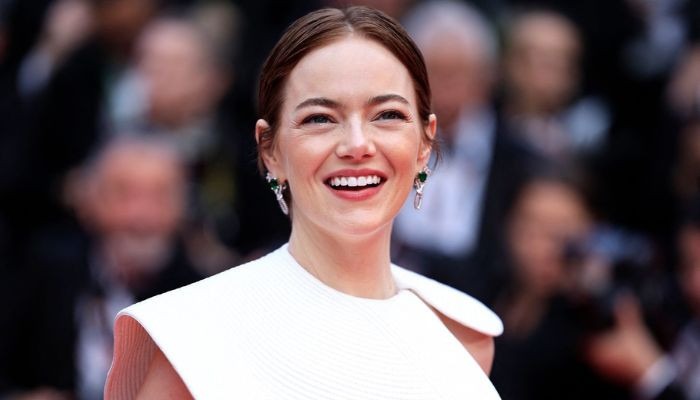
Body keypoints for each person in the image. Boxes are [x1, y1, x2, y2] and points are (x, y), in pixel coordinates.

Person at [104, 6, 503, 399]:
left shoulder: (464, 334)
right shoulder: (193, 339)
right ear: (271, 151)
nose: (357, 145)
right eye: (320, 119)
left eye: (387, 115)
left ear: (424, 143)